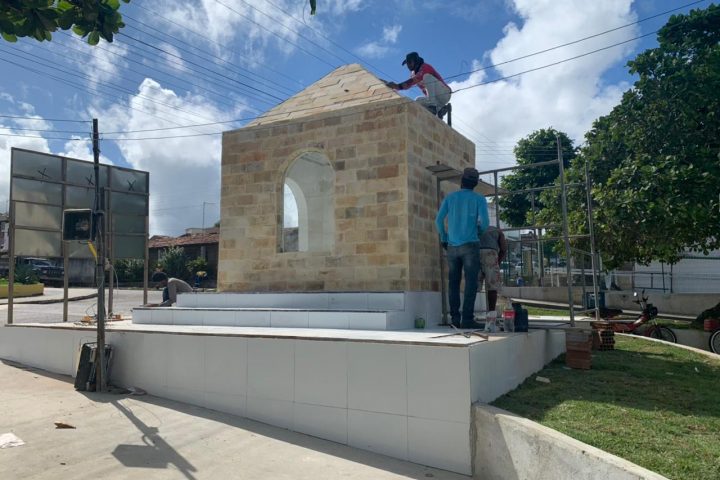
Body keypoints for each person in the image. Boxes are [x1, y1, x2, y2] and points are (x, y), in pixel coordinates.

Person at [435, 167, 490, 328]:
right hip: (470, 245)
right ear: (475, 184)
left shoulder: (451, 197)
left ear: (461, 181)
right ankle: (467, 319)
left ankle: (455, 319)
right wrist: (477, 232)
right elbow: (485, 223)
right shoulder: (479, 199)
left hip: (452, 246)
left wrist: (444, 238)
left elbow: (438, 220)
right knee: (471, 283)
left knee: (453, 282)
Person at [385, 52, 452, 118]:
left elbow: (410, 82)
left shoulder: (425, 67)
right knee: (417, 101)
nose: (408, 66)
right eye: (407, 64)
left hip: (445, 93)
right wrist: (396, 86)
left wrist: (397, 86)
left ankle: (433, 106)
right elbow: (408, 84)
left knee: (427, 77)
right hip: (436, 100)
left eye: (410, 62)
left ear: (416, 61)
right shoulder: (413, 74)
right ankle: (440, 109)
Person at [477, 226, 507, 328]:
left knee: (473, 286)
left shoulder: (473, 226)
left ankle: (469, 315)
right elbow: (503, 248)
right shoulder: (496, 230)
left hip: (475, 252)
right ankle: (491, 318)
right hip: (491, 254)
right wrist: (498, 262)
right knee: (492, 287)